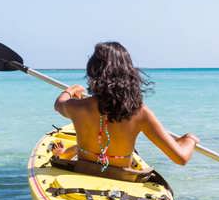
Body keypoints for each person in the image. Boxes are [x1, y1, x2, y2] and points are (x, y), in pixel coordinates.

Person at [53, 42, 199, 172]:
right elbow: (181, 158)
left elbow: (58, 104)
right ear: (129, 74)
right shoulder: (140, 113)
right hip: (121, 177)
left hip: (84, 170)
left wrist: (70, 91)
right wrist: (190, 140)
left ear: (92, 71)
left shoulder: (78, 107)